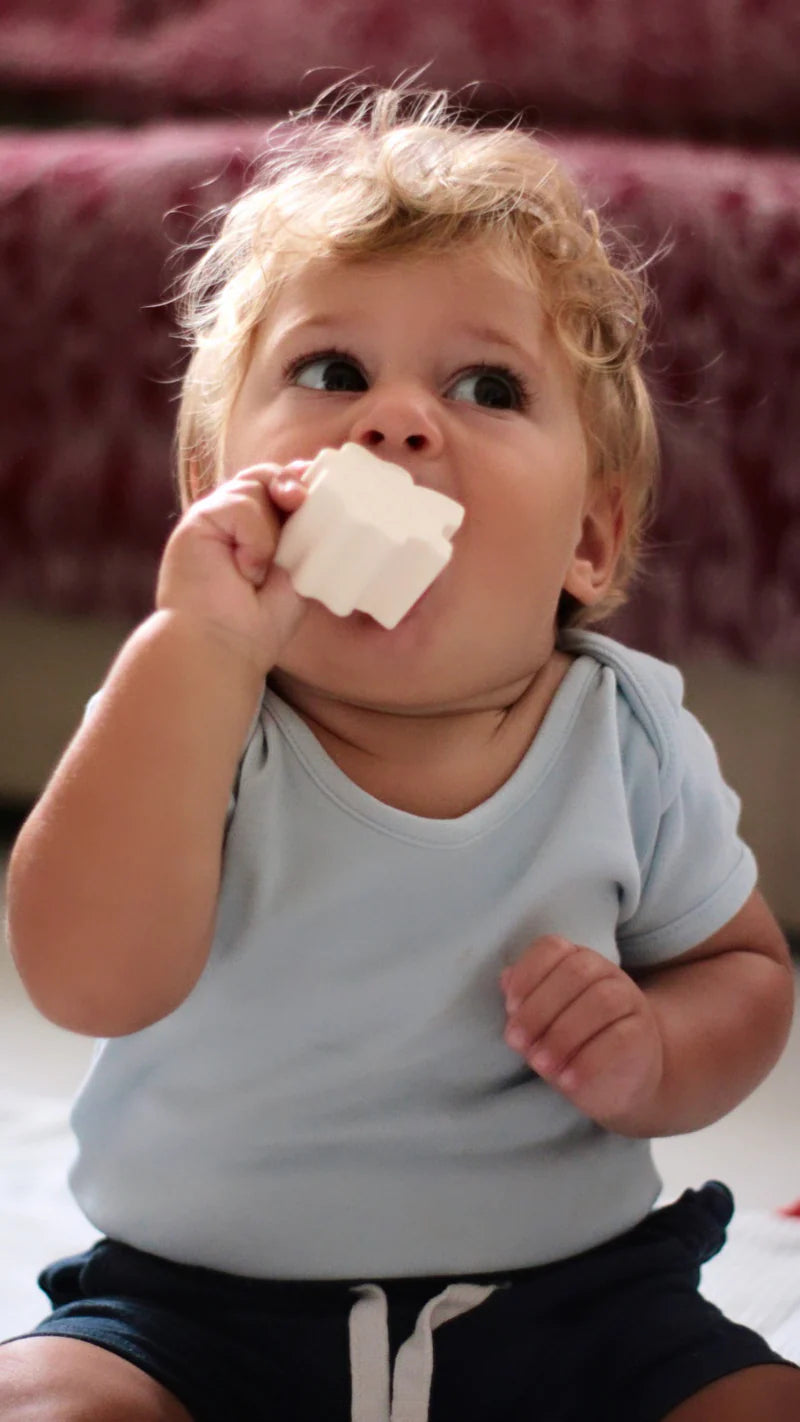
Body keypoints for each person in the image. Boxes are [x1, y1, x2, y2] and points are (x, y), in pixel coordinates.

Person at [2, 85, 798, 1422]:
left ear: (589, 543)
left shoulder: (629, 738)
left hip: (572, 1294)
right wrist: (192, 648)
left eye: (487, 386)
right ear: (217, 488)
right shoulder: (196, 716)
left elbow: (746, 972)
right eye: (331, 373)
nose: (395, 423)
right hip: (195, 1305)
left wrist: (659, 1048)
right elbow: (82, 974)